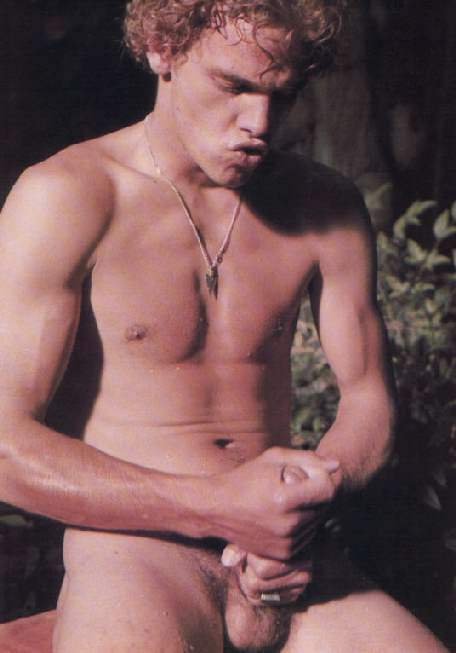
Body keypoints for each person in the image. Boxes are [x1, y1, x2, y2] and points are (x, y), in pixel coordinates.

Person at [0, 1, 448, 651]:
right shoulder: (70, 196)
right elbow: (6, 446)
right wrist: (217, 506)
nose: (259, 124)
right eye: (233, 86)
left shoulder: (325, 205)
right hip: (139, 558)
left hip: (287, 562)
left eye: (282, 95)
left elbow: (369, 401)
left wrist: (304, 504)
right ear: (161, 49)